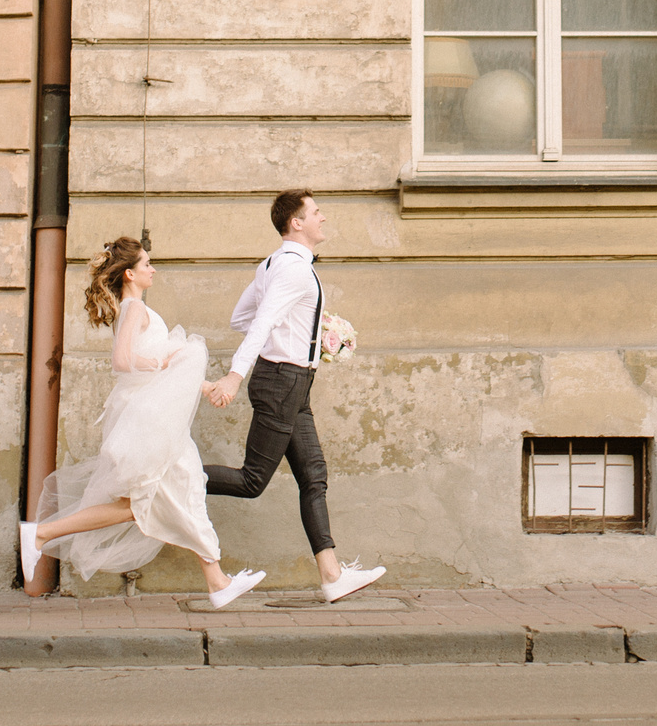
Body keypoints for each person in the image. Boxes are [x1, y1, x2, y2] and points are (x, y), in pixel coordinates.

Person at [20, 235, 265, 610]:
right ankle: (40, 534)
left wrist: (204, 385)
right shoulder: (133, 308)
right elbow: (124, 361)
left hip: (157, 423)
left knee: (179, 492)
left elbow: (161, 359)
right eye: (147, 264)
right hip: (150, 425)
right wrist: (163, 363)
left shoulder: (136, 309)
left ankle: (217, 581)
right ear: (131, 273)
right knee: (151, 499)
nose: (153, 269)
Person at [201, 190, 385, 603]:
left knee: (313, 476)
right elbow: (260, 322)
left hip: (292, 382)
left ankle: (332, 575)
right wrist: (233, 376)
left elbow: (241, 317)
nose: (323, 216)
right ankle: (176, 479)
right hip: (281, 381)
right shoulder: (294, 270)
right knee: (252, 481)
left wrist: (304, 335)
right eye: (315, 211)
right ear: (296, 223)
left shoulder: (272, 263)